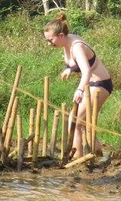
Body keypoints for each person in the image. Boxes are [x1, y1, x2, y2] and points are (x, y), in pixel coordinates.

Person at [44, 13, 112, 157]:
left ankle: (76, 160)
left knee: (74, 123)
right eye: (47, 41)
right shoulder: (65, 43)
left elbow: (86, 71)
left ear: (61, 35)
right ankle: (98, 156)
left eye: (51, 40)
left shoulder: (76, 46)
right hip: (92, 84)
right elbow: (78, 65)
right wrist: (70, 69)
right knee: (86, 125)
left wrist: (80, 90)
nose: (49, 44)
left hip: (99, 84)